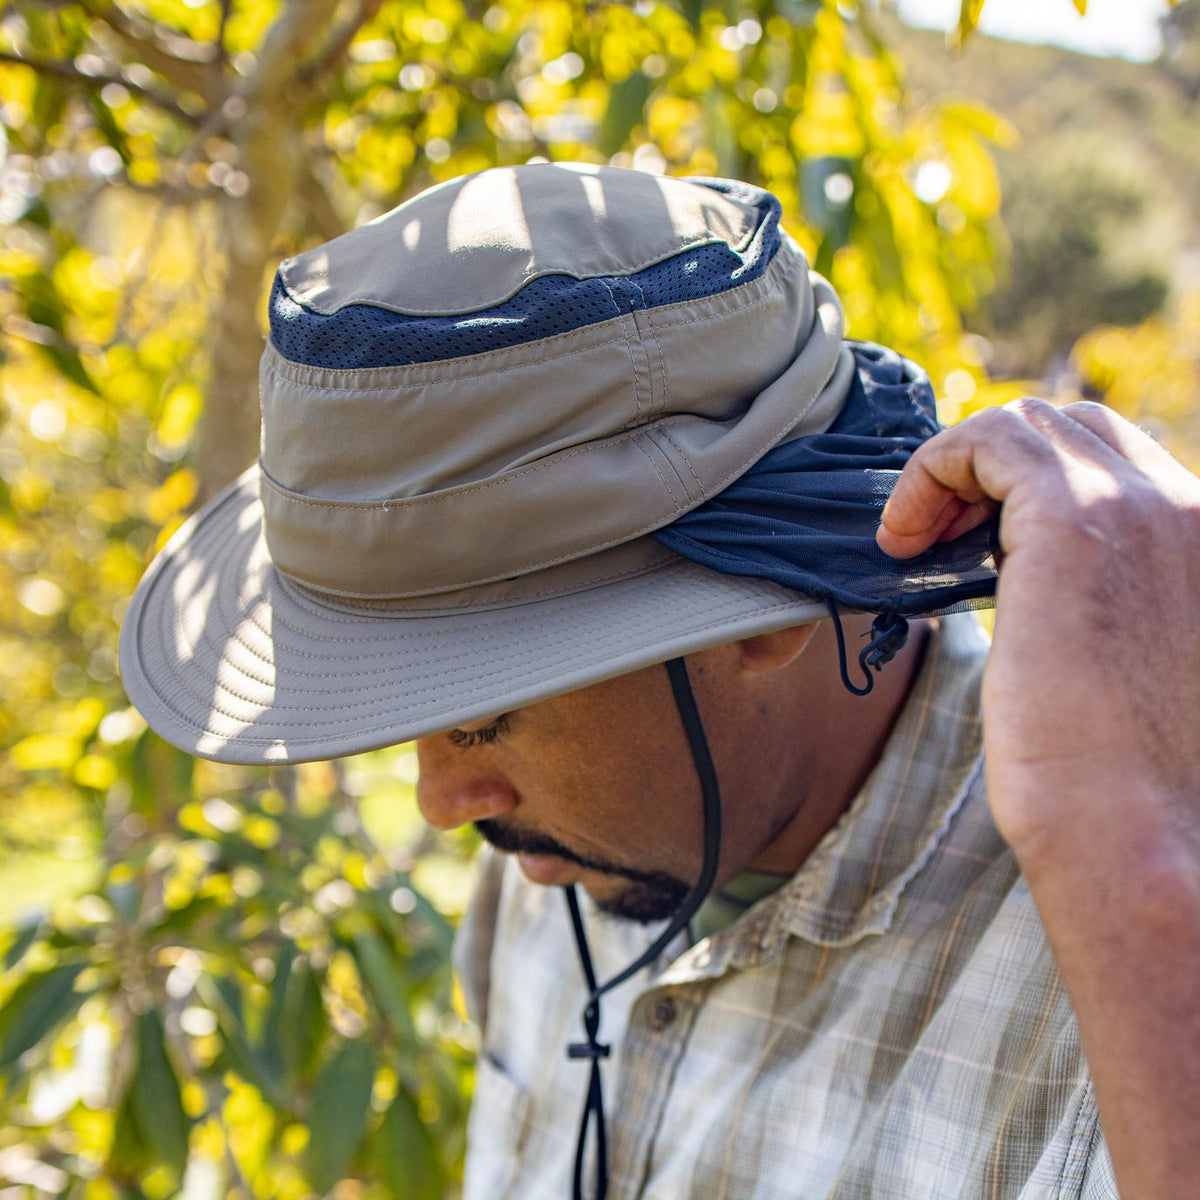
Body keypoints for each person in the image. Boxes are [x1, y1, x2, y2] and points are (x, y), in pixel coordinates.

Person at [119, 163, 1200, 1199]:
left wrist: (1133, 857)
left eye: (486, 721)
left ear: (756, 619)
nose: (445, 805)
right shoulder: (557, 862)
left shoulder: (1115, 962)